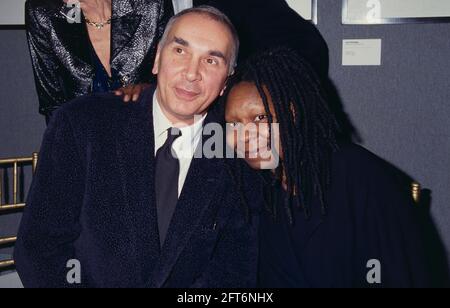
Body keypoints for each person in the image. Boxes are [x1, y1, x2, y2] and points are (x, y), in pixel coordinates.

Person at [15, 6, 261, 288]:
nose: (192, 73)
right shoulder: (81, 124)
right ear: (156, 58)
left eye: (211, 61)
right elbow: (39, 249)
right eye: (180, 51)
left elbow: (234, 272)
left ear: (225, 83)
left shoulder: (234, 154)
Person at [224, 46, 447, 288]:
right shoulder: (264, 191)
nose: (245, 135)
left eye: (261, 118)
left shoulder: (361, 179)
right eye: (233, 125)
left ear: (293, 112)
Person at [25, 0, 172, 122]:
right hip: (85, 146)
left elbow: (174, 79)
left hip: (150, 137)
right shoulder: (46, 11)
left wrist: (148, 90)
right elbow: (52, 104)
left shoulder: (151, 4)